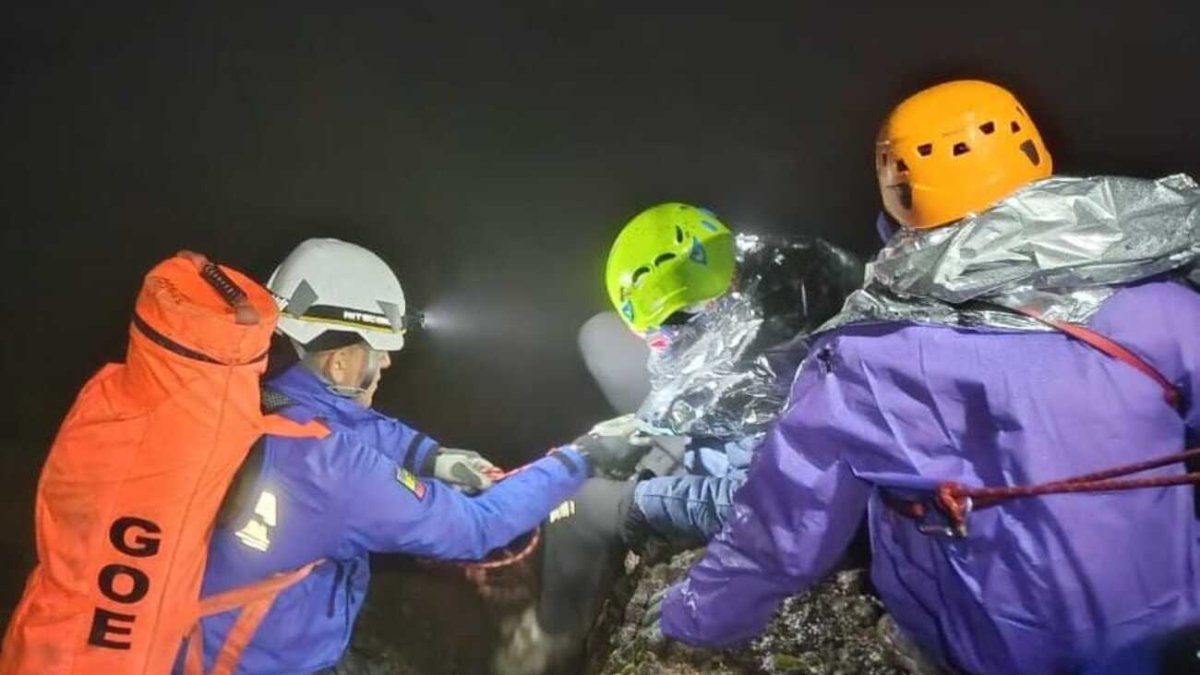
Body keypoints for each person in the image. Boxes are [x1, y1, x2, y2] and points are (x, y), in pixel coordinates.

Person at [642, 79, 1200, 675]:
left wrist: (691, 618)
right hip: (1173, 621)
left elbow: (783, 531)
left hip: (1000, 649)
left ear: (899, 193)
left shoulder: (867, 359)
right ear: (1031, 151)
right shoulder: (1162, 300)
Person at [177, 238, 630, 675]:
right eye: (379, 351)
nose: (387, 363)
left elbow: (350, 424)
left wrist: (433, 458)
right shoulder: (333, 470)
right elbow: (476, 527)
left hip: (214, 636)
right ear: (339, 363)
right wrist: (581, 458)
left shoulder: (261, 395)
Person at [494, 205, 862, 674]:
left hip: (766, 488)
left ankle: (553, 635)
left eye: (660, 335)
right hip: (731, 428)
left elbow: (762, 504)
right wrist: (649, 428)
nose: (654, 344)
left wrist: (642, 500)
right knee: (599, 335)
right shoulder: (783, 274)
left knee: (576, 505)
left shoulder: (769, 381)